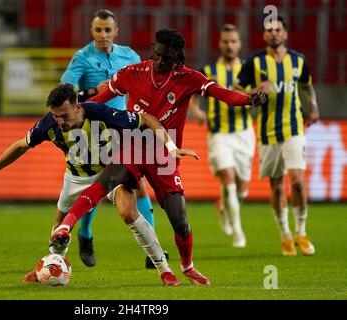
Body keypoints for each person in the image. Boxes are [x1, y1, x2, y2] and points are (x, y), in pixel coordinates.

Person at [49, 29, 266, 285]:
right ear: (153, 50)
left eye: (168, 58)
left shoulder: (188, 78)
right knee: (106, 180)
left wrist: (249, 99)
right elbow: (101, 98)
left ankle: (187, 267)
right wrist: (76, 113)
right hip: (131, 144)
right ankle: (67, 227)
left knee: (180, 219)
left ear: (178, 57)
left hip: (164, 154)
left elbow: (222, 94)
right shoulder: (133, 73)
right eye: (159, 55)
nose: (162, 61)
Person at [0, 83, 199, 286]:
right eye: (55, 115)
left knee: (129, 213)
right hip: (75, 177)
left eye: (64, 115)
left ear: (77, 107)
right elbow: (21, 145)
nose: (59, 121)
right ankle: (48, 266)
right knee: (59, 229)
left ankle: (164, 269)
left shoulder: (101, 113)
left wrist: (171, 147)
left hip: (110, 173)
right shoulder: (48, 125)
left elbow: (146, 119)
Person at [60, 9, 157, 268]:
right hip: (91, 132)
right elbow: (64, 96)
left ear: (116, 32)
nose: (103, 35)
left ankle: (152, 250)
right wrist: (92, 90)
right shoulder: (81, 58)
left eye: (107, 30)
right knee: (94, 187)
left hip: (123, 128)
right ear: (92, 32)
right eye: (98, 30)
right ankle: (85, 233)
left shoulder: (130, 56)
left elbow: (145, 86)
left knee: (140, 184)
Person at [235, 16, 319, 256]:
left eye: (278, 29)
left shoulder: (298, 60)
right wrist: (254, 92)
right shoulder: (255, 62)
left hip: (295, 129)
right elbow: (238, 90)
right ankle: (285, 235)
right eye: (269, 30)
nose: (273, 33)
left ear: (285, 33)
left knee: (298, 183)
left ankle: (301, 232)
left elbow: (306, 85)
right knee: (277, 186)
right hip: (268, 132)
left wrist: (313, 106)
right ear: (264, 35)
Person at [189, 24, 254, 248]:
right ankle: (238, 232)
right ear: (220, 43)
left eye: (233, 41)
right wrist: (196, 110)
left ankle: (225, 207)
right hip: (218, 134)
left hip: (244, 133)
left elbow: (261, 93)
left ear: (239, 44)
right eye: (226, 41)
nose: (229, 45)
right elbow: (192, 93)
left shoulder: (249, 69)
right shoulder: (208, 69)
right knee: (227, 176)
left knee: (242, 188)